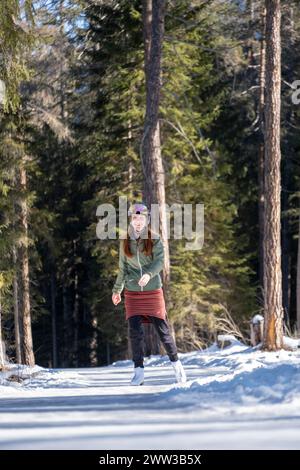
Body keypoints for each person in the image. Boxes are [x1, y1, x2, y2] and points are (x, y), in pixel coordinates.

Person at [112, 201, 187, 386]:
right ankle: (139, 372)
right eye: (135, 218)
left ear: (147, 220)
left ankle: (177, 367)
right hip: (132, 292)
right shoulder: (125, 241)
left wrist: (148, 274)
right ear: (131, 220)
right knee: (135, 333)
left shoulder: (154, 239)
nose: (138, 221)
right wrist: (117, 290)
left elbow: (160, 262)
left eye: (141, 218)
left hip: (152, 290)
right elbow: (122, 269)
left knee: (163, 331)